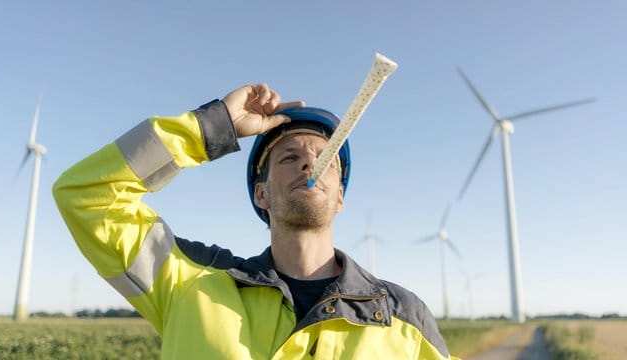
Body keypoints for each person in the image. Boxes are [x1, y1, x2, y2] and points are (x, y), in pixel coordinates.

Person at [53, 83, 454, 359]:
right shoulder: (187, 281)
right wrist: (213, 126)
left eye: (324, 155)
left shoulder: (405, 316)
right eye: (287, 156)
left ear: (341, 197)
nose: (309, 160)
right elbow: (88, 196)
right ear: (261, 194)